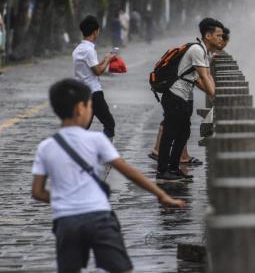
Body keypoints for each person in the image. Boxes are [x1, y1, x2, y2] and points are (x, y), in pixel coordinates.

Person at [31, 78, 185, 273]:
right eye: (90, 106)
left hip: (66, 222)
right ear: (80, 108)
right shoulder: (96, 139)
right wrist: (162, 195)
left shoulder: (46, 147)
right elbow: (129, 172)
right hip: (99, 218)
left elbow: (37, 192)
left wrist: (64, 199)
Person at [149, 26, 231, 165]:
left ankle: (175, 166)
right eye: (219, 36)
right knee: (172, 131)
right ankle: (164, 170)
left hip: (182, 95)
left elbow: (200, 78)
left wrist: (213, 93)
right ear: (208, 36)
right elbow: (202, 78)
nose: (221, 41)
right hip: (176, 94)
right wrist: (216, 97)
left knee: (182, 131)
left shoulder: (203, 52)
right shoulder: (197, 51)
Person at [73, 15, 116, 141]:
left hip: (82, 93)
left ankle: (74, 152)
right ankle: (104, 153)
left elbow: (90, 68)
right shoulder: (89, 50)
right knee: (109, 124)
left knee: (83, 126)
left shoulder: (78, 50)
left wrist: (104, 59)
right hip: (94, 93)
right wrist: (108, 60)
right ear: (95, 31)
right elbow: (97, 71)